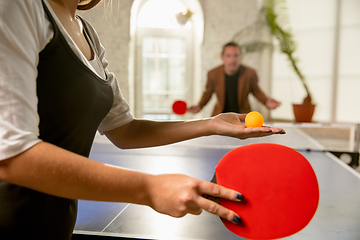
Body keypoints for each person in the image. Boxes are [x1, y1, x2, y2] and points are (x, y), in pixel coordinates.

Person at [0, 1, 285, 239]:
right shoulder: (19, 8)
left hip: (56, 224)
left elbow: (126, 130)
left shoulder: (87, 33)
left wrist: (210, 124)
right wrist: (149, 188)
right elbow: (11, 155)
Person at [189, 42, 281, 116]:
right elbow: (208, 93)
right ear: (222, 57)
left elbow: (256, 91)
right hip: (221, 115)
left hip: (243, 115)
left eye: (235, 55)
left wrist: (266, 101)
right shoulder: (212, 74)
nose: (232, 60)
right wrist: (199, 105)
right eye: (229, 56)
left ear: (240, 57)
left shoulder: (250, 73)